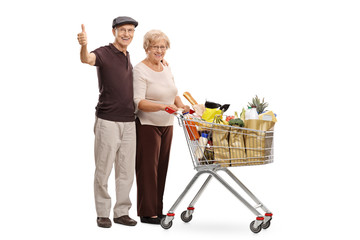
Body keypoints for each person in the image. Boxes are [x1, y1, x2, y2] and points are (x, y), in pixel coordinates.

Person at [77, 16, 139, 228]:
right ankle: (102, 213)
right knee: (103, 168)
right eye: (123, 30)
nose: (127, 34)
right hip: (107, 120)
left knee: (126, 171)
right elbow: (87, 59)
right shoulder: (104, 52)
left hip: (129, 122)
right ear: (114, 31)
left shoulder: (127, 56)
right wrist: (84, 46)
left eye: (130, 31)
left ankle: (122, 212)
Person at [133, 30, 190, 224]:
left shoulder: (166, 67)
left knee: (161, 168)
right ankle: (147, 213)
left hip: (168, 123)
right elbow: (139, 102)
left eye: (163, 47)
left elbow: (172, 92)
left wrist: (182, 106)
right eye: (155, 46)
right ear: (147, 48)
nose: (159, 50)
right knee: (148, 169)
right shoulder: (140, 70)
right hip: (147, 124)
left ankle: (158, 210)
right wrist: (162, 107)